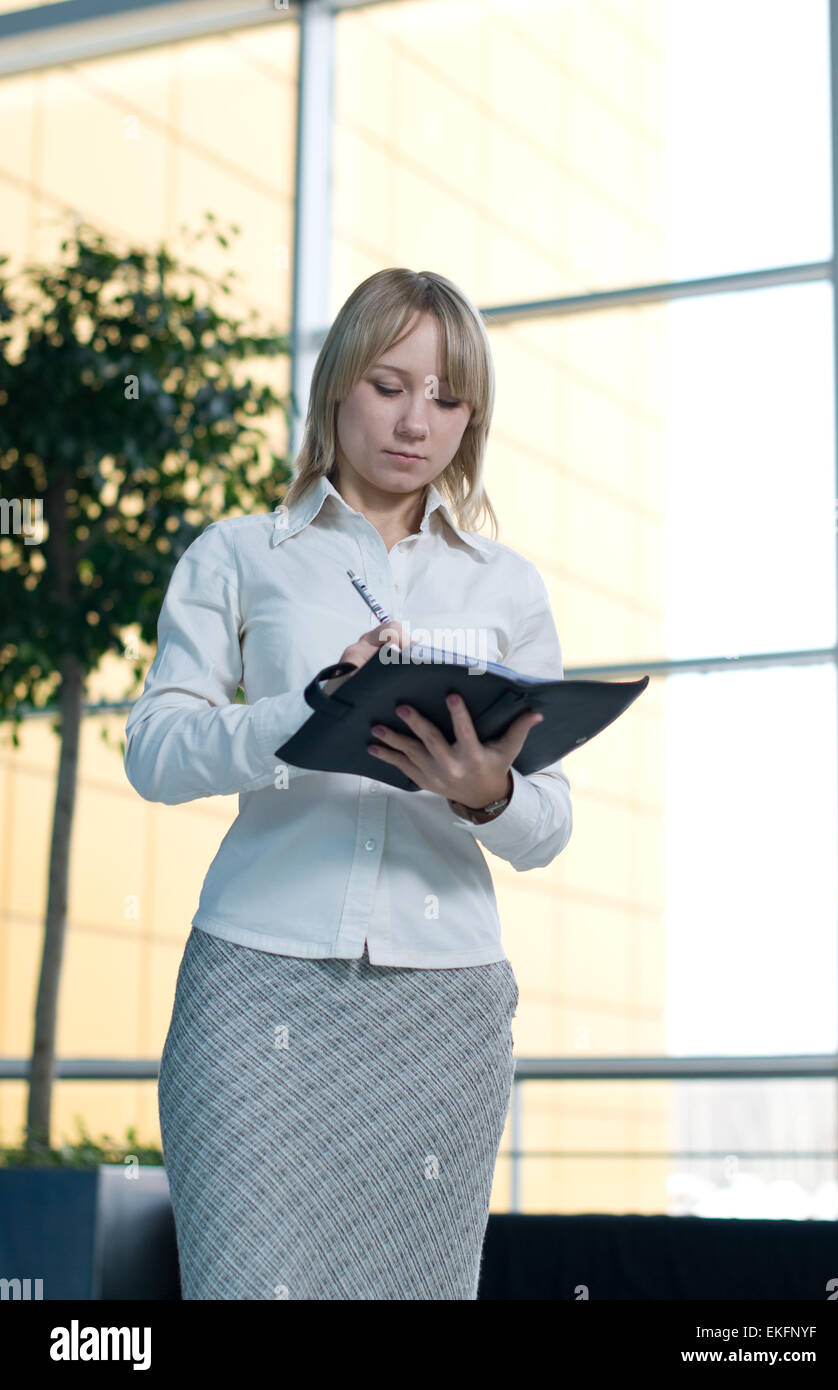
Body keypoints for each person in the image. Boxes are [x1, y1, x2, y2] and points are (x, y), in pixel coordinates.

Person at [124, 267, 572, 1300]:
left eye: (447, 398)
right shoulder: (239, 555)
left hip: (440, 1009)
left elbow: (548, 823)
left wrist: (484, 794)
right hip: (254, 991)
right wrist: (310, 707)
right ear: (336, 387)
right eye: (389, 384)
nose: (417, 419)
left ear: (471, 419)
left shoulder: (504, 587)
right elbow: (156, 750)